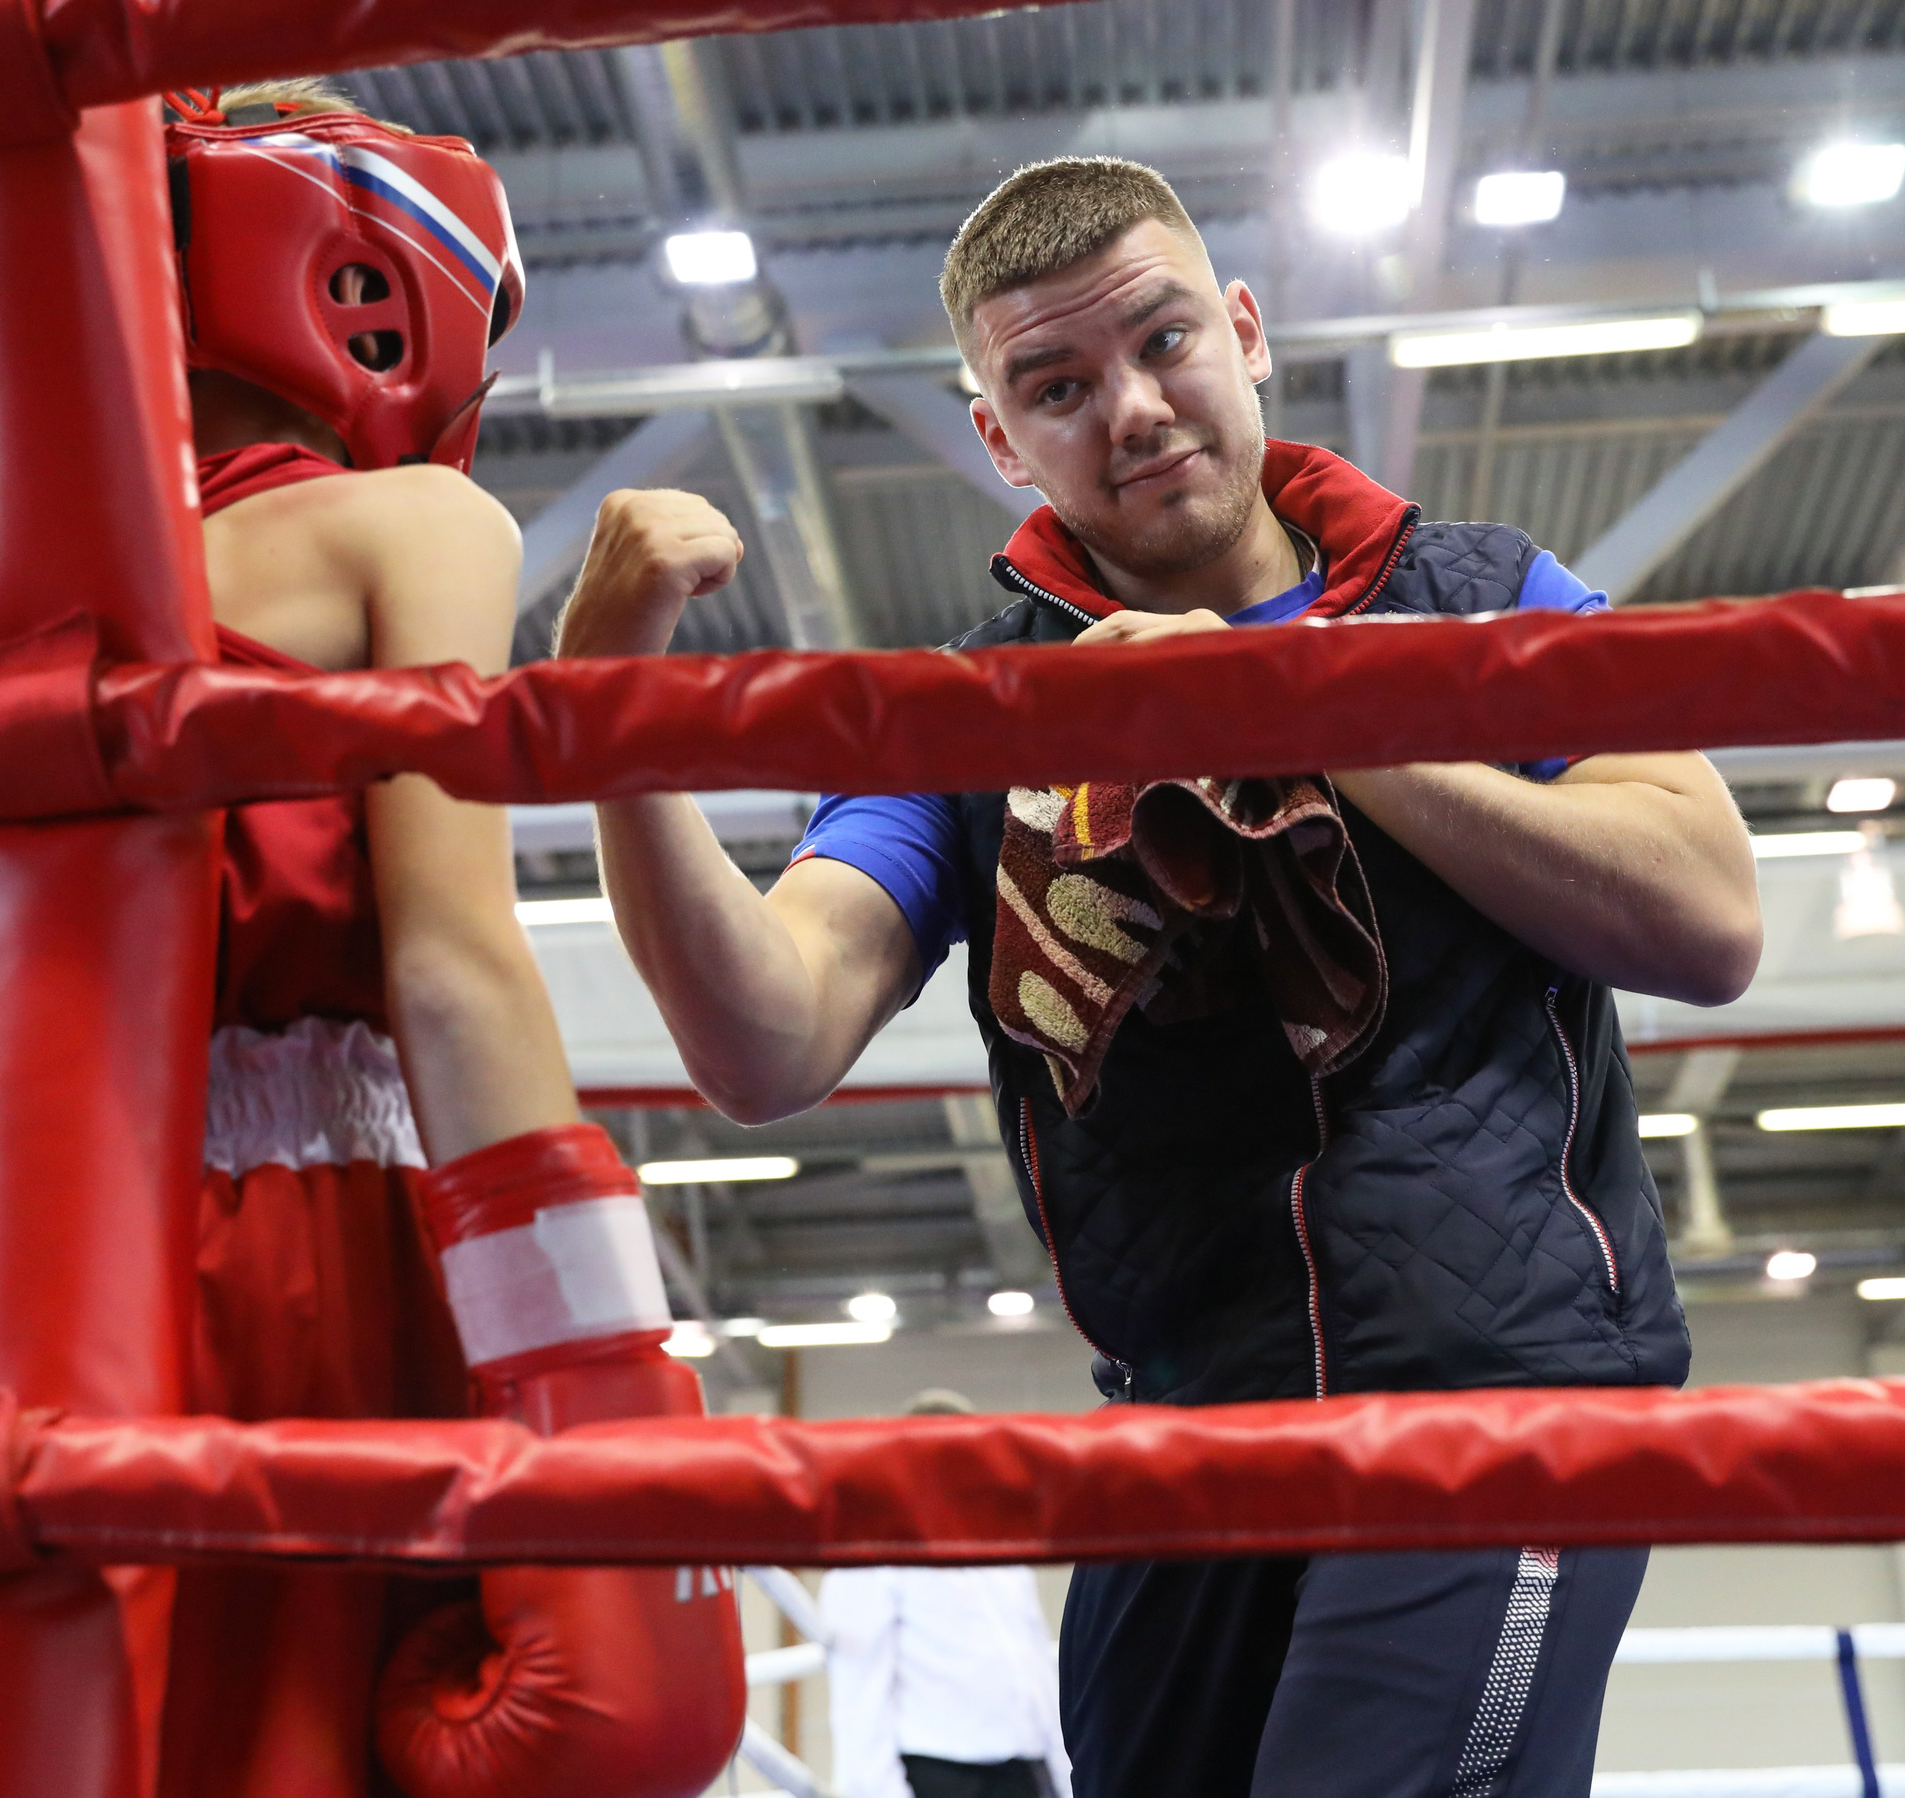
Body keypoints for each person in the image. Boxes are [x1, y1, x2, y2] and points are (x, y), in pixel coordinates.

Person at [554, 156, 1762, 1798]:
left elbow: (1706, 911)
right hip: (1182, 1430)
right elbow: (767, 1035)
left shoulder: (1483, 598)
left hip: (1496, 1389)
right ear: (1001, 438)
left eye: (1165, 341)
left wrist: (1295, 708)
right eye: (1057, 385)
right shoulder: (971, 717)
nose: (1130, 408)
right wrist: (611, 724)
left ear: (1245, 330)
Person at [149, 81, 744, 1798]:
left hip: (39, 1264)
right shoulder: (413, 523)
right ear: (379, 286)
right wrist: (608, 1380)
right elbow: (451, 963)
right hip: (318, 1257)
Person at [821, 1391, 1073, 1798]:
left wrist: (1063, 1775)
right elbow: (859, 1690)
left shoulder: (1000, 1548)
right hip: (939, 1771)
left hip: (1024, 1768)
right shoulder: (875, 1549)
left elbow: (1035, 1670)